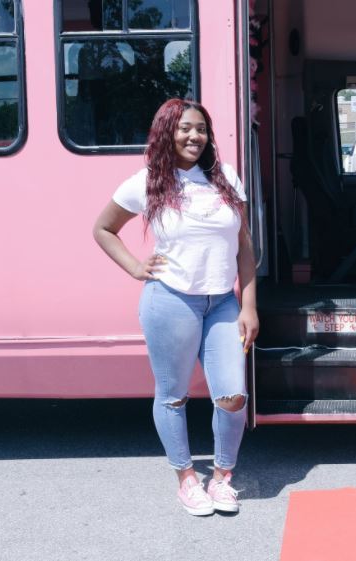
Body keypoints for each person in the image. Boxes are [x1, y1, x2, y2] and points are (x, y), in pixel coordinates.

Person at [93, 99, 258, 516]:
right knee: (173, 396)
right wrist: (135, 266)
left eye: (201, 129)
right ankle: (186, 479)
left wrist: (248, 306)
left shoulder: (225, 179)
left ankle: (222, 478)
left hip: (222, 302)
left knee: (233, 395)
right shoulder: (148, 181)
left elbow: (244, 246)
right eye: (185, 128)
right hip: (170, 301)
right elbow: (104, 228)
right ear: (168, 131)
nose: (194, 136)